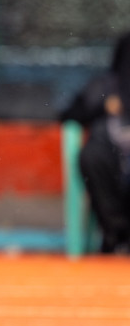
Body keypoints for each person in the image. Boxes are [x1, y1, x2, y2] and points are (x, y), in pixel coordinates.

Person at [61, 32, 130, 254]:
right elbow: (69, 114)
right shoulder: (106, 87)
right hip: (113, 155)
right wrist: (104, 106)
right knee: (91, 156)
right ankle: (117, 234)